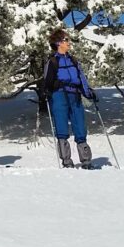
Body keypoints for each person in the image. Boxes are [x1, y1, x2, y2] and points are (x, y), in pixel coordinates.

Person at [43, 28, 96, 169]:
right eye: (66, 40)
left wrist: (88, 92)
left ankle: (86, 160)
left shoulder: (73, 60)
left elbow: (81, 77)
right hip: (59, 94)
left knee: (79, 124)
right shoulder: (53, 61)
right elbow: (47, 82)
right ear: (59, 43)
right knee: (61, 125)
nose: (69, 42)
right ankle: (66, 160)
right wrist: (54, 85)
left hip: (74, 94)